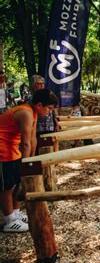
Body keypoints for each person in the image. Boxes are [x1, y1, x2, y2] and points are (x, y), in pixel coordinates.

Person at [0, 89, 57, 232]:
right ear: (39, 105)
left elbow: (32, 139)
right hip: (3, 150)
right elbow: (25, 143)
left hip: (12, 150)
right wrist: (25, 164)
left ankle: (16, 214)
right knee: (7, 187)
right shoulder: (25, 113)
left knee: (18, 182)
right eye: (49, 108)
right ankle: (9, 220)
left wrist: (30, 160)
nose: (50, 112)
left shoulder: (33, 113)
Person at [31, 76, 60, 152]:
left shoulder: (49, 95)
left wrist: (56, 123)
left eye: (43, 83)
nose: (41, 85)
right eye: (39, 83)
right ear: (34, 85)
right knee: (37, 147)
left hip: (49, 125)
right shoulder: (31, 97)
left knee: (50, 145)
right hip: (37, 128)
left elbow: (53, 111)